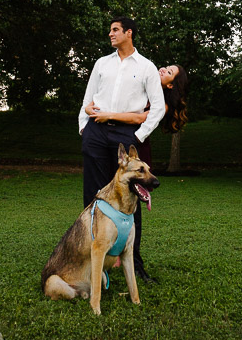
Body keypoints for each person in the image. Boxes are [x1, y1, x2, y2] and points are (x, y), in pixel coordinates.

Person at [78, 16, 165, 283]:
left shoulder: (147, 67)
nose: (111, 34)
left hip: (126, 134)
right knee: (94, 198)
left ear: (129, 33)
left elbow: (158, 107)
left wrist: (138, 135)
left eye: (115, 30)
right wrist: (85, 130)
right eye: (110, 30)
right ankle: (91, 261)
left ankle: (134, 262)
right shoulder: (101, 63)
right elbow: (87, 100)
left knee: (131, 199)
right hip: (96, 132)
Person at [84, 62, 189, 280]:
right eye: (165, 67)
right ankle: (100, 251)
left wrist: (110, 115)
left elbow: (140, 118)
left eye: (169, 72)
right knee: (104, 193)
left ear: (171, 86)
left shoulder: (162, 103)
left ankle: (134, 262)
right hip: (111, 141)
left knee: (132, 204)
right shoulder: (141, 83)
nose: (163, 70)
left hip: (135, 147)